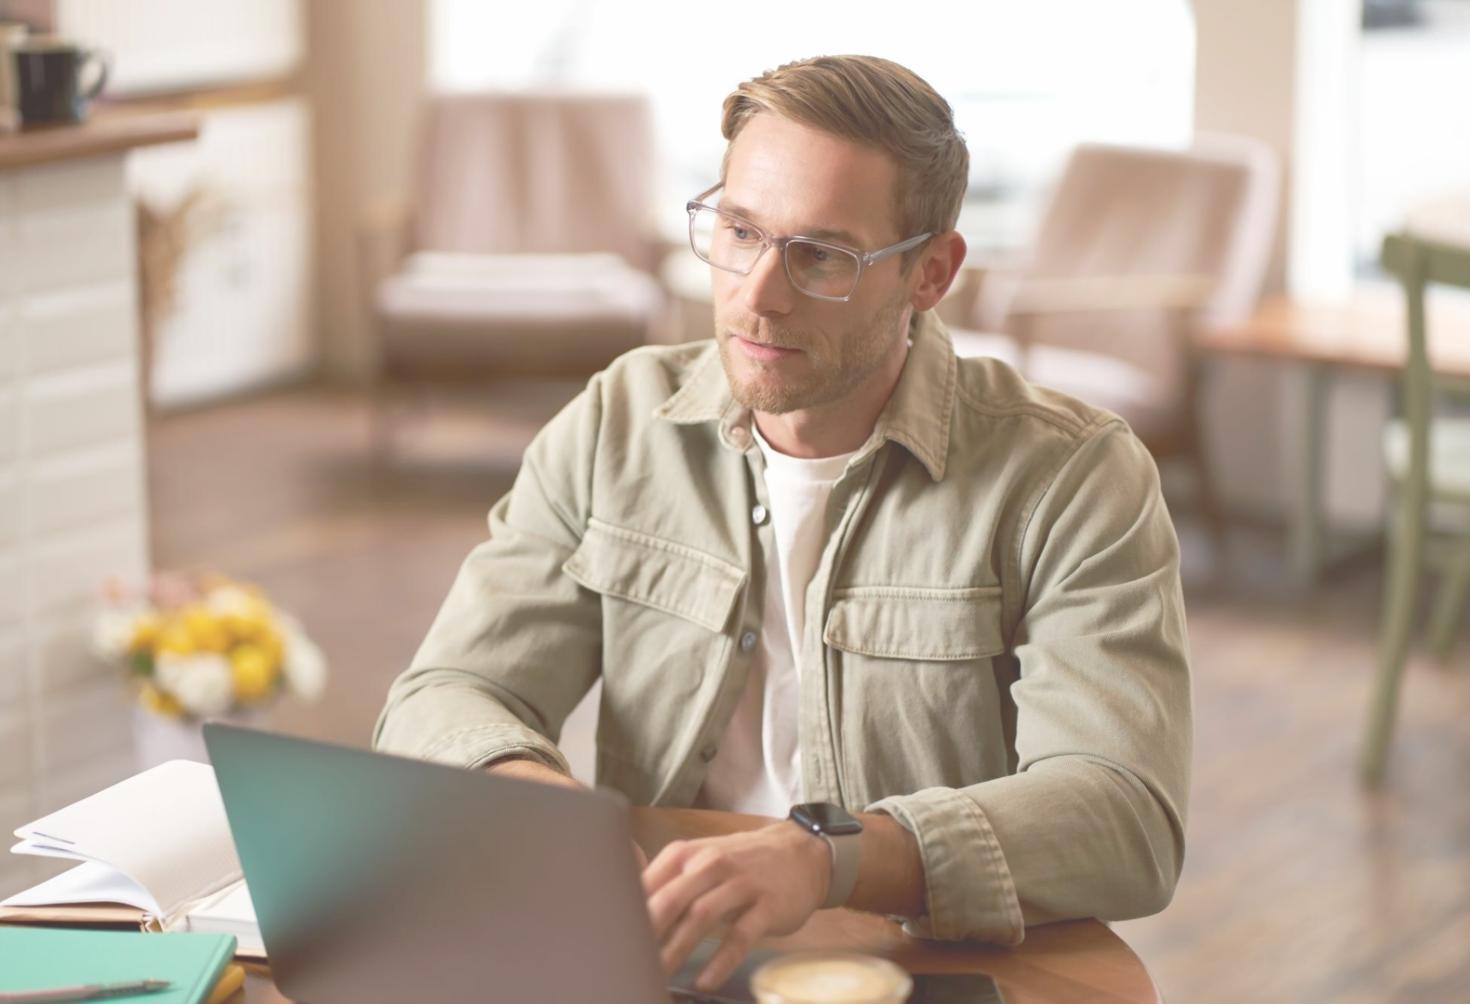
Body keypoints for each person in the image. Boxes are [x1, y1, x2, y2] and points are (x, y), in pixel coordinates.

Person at [375, 54, 1191, 994]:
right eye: (739, 231)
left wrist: (825, 856)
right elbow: (445, 694)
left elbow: (1123, 815)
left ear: (930, 272)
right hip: (671, 960)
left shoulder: (1072, 477)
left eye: (822, 255)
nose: (758, 293)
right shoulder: (615, 425)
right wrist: (540, 806)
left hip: (926, 969)